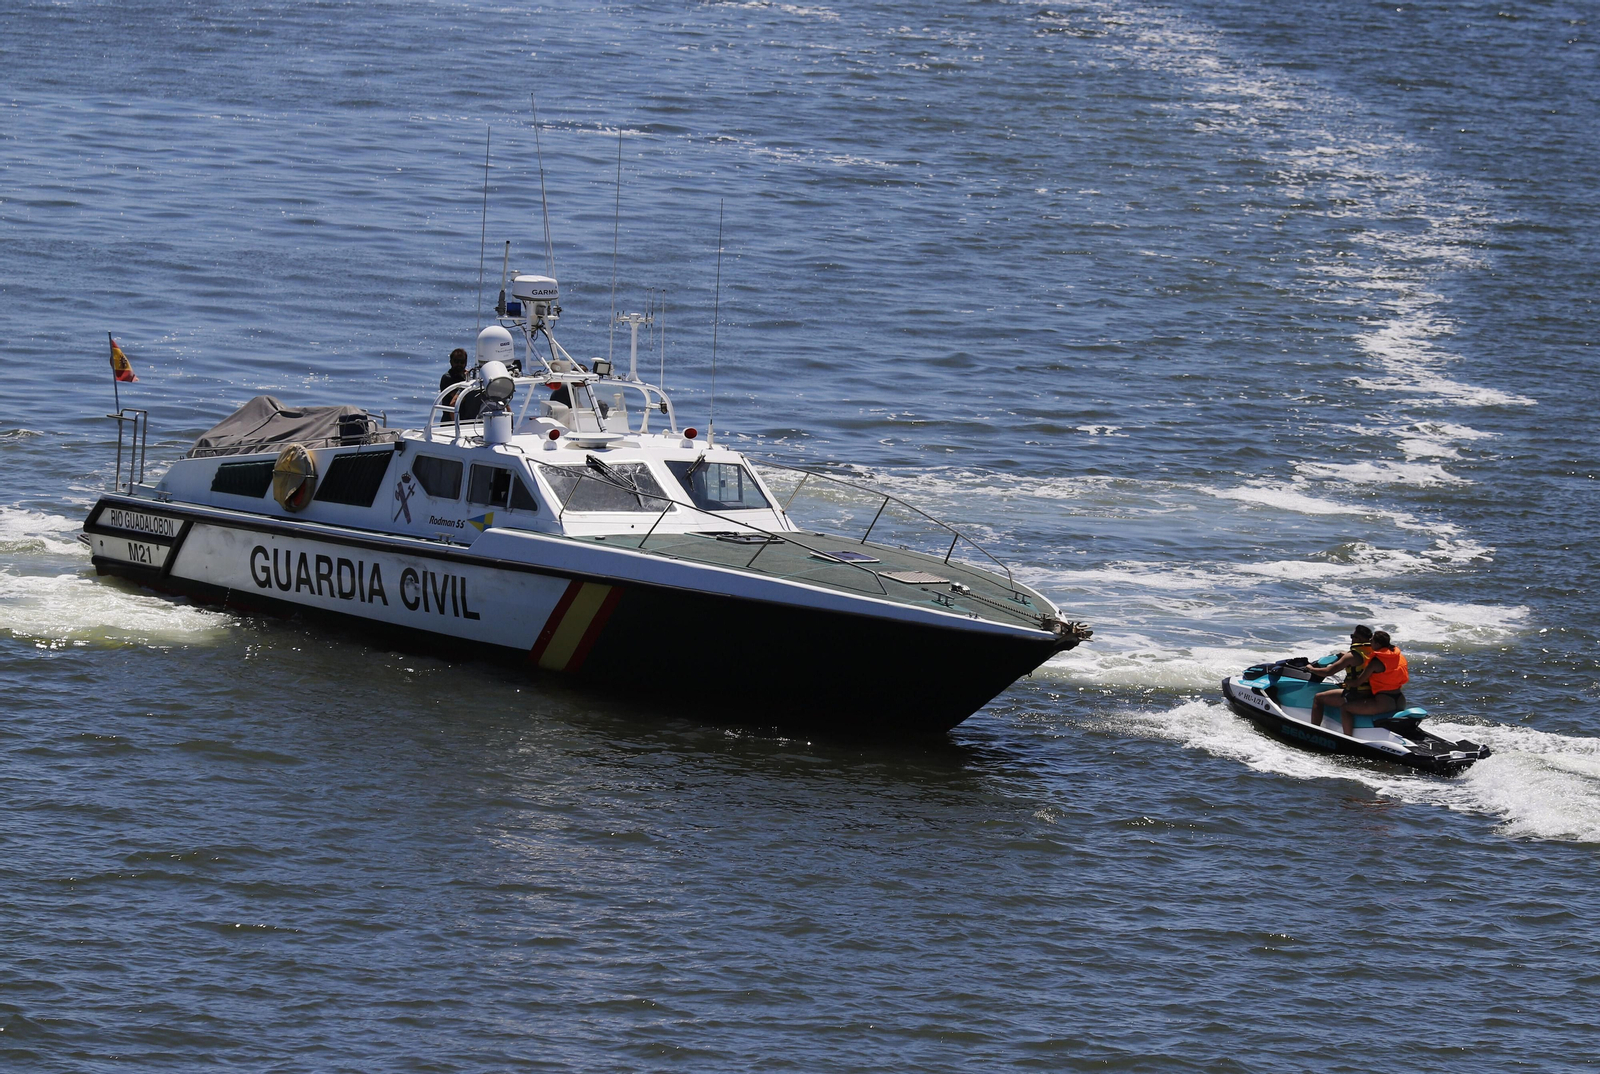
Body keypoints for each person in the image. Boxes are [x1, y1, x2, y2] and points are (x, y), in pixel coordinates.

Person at [1311, 627, 1407, 736]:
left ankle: (1347, 738)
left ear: (1377, 643)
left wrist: (1347, 681)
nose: (1370, 642)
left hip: (1383, 702)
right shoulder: (1397, 656)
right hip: (1400, 699)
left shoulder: (1374, 662)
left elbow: (1356, 682)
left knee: (1342, 706)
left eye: (1372, 641)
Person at [439, 347, 482, 420]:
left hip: (467, 420)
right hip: (450, 421)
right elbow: (458, 399)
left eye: (462, 362)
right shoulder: (447, 378)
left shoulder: (466, 377)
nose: (459, 364)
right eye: (456, 361)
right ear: (451, 362)